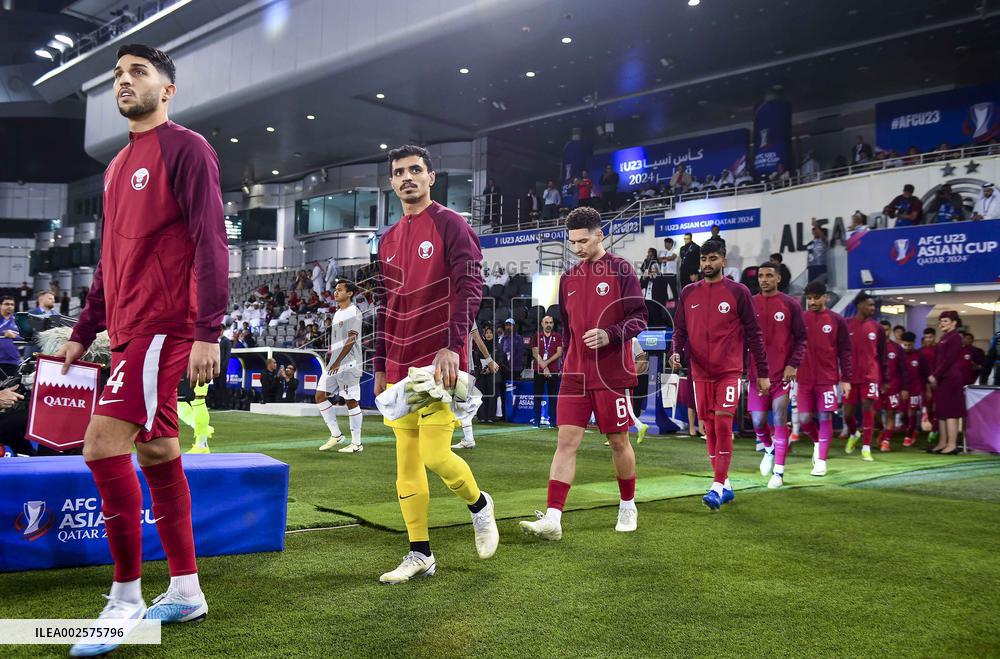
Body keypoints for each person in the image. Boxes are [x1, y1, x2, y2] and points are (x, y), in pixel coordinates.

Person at [53, 44, 227, 651]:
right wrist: (82, 332)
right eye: (118, 75)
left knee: (101, 445)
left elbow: (211, 241)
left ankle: (125, 600)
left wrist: (210, 329)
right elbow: (108, 261)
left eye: (138, 72)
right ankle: (185, 590)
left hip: (164, 324)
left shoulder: (186, 148)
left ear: (168, 89)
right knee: (156, 453)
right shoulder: (114, 167)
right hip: (126, 331)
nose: (124, 82)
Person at [374, 144, 498, 583]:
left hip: (439, 363)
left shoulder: (451, 224)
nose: (407, 177)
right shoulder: (387, 240)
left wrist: (452, 344)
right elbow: (385, 306)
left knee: (434, 453)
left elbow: (470, 288)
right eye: (398, 172)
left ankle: (480, 504)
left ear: (431, 177)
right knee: (405, 461)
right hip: (400, 364)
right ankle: (420, 552)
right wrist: (379, 366)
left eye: (415, 170)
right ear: (391, 182)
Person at [519, 206, 647, 540]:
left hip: (611, 374)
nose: (577, 247)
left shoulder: (621, 270)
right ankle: (553, 517)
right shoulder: (569, 278)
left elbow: (640, 318)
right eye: (572, 242)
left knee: (618, 441)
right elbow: (570, 325)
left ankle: (628, 504)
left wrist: (610, 334)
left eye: (583, 240)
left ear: (599, 234)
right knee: (566, 441)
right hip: (574, 373)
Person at [669, 240, 768, 510]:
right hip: (699, 372)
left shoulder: (739, 292)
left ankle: (716, 484)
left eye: (712, 258)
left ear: (723, 261)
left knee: (723, 423)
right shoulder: (689, 293)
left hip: (729, 371)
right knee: (708, 427)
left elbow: (754, 334)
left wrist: (763, 372)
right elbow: (679, 331)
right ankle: (726, 485)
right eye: (703, 259)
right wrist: (676, 352)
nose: (707, 264)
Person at [750, 263, 806, 489]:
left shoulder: (791, 304)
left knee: (780, 418)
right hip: (756, 375)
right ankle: (769, 447)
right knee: (758, 422)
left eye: (769, 275)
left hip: (782, 374)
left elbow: (802, 338)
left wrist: (794, 364)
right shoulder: (750, 303)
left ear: (778, 278)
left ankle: (779, 473)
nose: (764, 279)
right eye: (761, 276)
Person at [796, 281, 852, 477]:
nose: (811, 301)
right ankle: (817, 443)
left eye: (815, 298)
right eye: (809, 298)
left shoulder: (837, 320)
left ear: (825, 297)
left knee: (825, 416)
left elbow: (845, 351)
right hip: (803, 379)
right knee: (804, 419)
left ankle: (821, 461)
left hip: (827, 380)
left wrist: (846, 378)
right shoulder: (801, 319)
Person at [316, 281, 365, 454]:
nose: (335, 293)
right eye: (335, 290)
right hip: (334, 363)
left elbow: (352, 339)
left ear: (350, 293)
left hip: (349, 363)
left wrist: (338, 361)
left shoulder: (354, 312)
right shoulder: (337, 313)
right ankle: (336, 435)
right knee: (320, 395)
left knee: (351, 401)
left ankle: (357, 443)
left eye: (339, 290)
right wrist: (332, 359)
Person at [844, 293, 887, 461]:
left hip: (870, 376)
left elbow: (882, 355)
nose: (872, 308)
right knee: (847, 413)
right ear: (860, 305)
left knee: (867, 408)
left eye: (873, 305)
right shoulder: (846, 325)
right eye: (869, 305)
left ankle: (866, 448)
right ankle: (854, 434)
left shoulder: (877, 328)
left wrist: (886, 379)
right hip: (850, 376)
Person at [928, 311, 965, 454]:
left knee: (950, 412)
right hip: (942, 379)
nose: (941, 324)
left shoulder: (955, 337)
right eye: (940, 321)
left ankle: (952, 444)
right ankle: (942, 442)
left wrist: (935, 375)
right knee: (941, 412)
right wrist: (934, 375)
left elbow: (948, 360)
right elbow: (938, 360)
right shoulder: (944, 337)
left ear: (954, 322)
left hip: (951, 378)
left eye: (944, 321)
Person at [531, 315, 562, 428]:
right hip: (539, 370)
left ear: (553, 324)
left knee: (553, 397)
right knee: (537, 396)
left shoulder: (557, 336)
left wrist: (546, 364)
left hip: (553, 370)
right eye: (546, 322)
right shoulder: (536, 336)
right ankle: (536, 421)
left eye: (551, 322)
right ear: (542, 324)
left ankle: (553, 422)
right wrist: (544, 367)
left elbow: (559, 353)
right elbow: (535, 353)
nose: (549, 324)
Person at [879, 325, 906, 452]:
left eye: (886, 329)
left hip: (893, 387)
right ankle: (882, 431)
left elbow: (903, 369)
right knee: (873, 414)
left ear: (890, 331)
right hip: (876, 386)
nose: (884, 332)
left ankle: (886, 441)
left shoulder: (897, 348)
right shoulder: (873, 346)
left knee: (891, 413)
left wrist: (904, 388)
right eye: (882, 330)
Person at [899, 332, 929, 448]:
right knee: (902, 414)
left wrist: (927, 389)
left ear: (913, 343)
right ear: (902, 343)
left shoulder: (919, 355)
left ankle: (908, 435)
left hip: (915, 388)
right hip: (901, 389)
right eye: (905, 345)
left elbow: (925, 373)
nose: (907, 347)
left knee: (912, 411)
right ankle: (911, 429)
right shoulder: (899, 354)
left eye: (909, 345)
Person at [474, 324, 507, 424]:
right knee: (482, 395)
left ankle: (490, 417)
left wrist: (490, 368)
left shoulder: (498, 346)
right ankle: (482, 417)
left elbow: (501, 360)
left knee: (492, 396)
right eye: (487, 333)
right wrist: (482, 368)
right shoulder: (481, 346)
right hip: (482, 374)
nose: (488, 335)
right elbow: (477, 359)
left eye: (490, 333)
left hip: (494, 374)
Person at [176, 376, 213, 454]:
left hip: (199, 367)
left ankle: (201, 445)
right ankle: (202, 429)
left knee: (198, 401)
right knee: (178, 400)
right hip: (183, 366)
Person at [0, 296, 22, 380]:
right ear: (0, 305)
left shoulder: (18, 321)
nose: (10, 306)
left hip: (12, 361)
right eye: (6, 304)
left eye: (12, 304)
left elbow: (27, 337)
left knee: (12, 388)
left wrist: (15, 336)